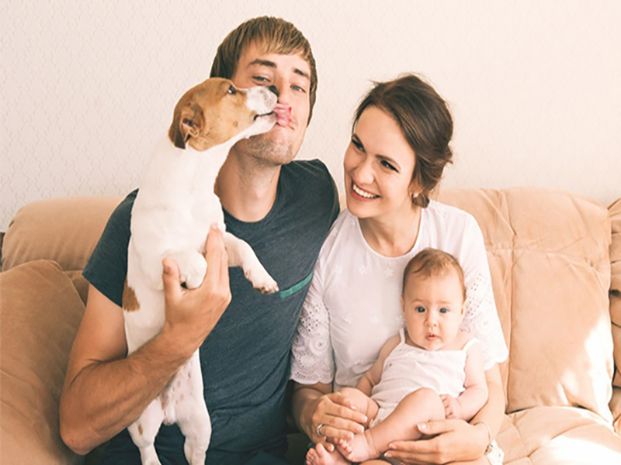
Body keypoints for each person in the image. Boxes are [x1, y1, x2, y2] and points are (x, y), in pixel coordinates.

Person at [59, 16, 339, 465]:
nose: (282, 96)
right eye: (264, 79)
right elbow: (75, 428)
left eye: (299, 87)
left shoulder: (318, 198)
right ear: (223, 95)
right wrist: (177, 341)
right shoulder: (141, 222)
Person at [291, 74, 508, 465]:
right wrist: (316, 417)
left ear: (419, 181)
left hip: (449, 443)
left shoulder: (458, 235)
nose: (360, 174)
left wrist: (479, 439)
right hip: (365, 441)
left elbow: (493, 385)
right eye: (358, 145)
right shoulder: (327, 249)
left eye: (386, 164)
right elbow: (309, 391)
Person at [306, 248, 489, 465]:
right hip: (382, 420)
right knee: (348, 397)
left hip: (425, 434)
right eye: (420, 309)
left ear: (462, 310)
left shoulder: (465, 347)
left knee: (426, 399)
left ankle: (368, 444)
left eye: (443, 311)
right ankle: (339, 458)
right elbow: (370, 379)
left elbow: (479, 389)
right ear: (404, 307)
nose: (431, 321)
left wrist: (459, 407)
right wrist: (356, 404)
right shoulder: (397, 343)